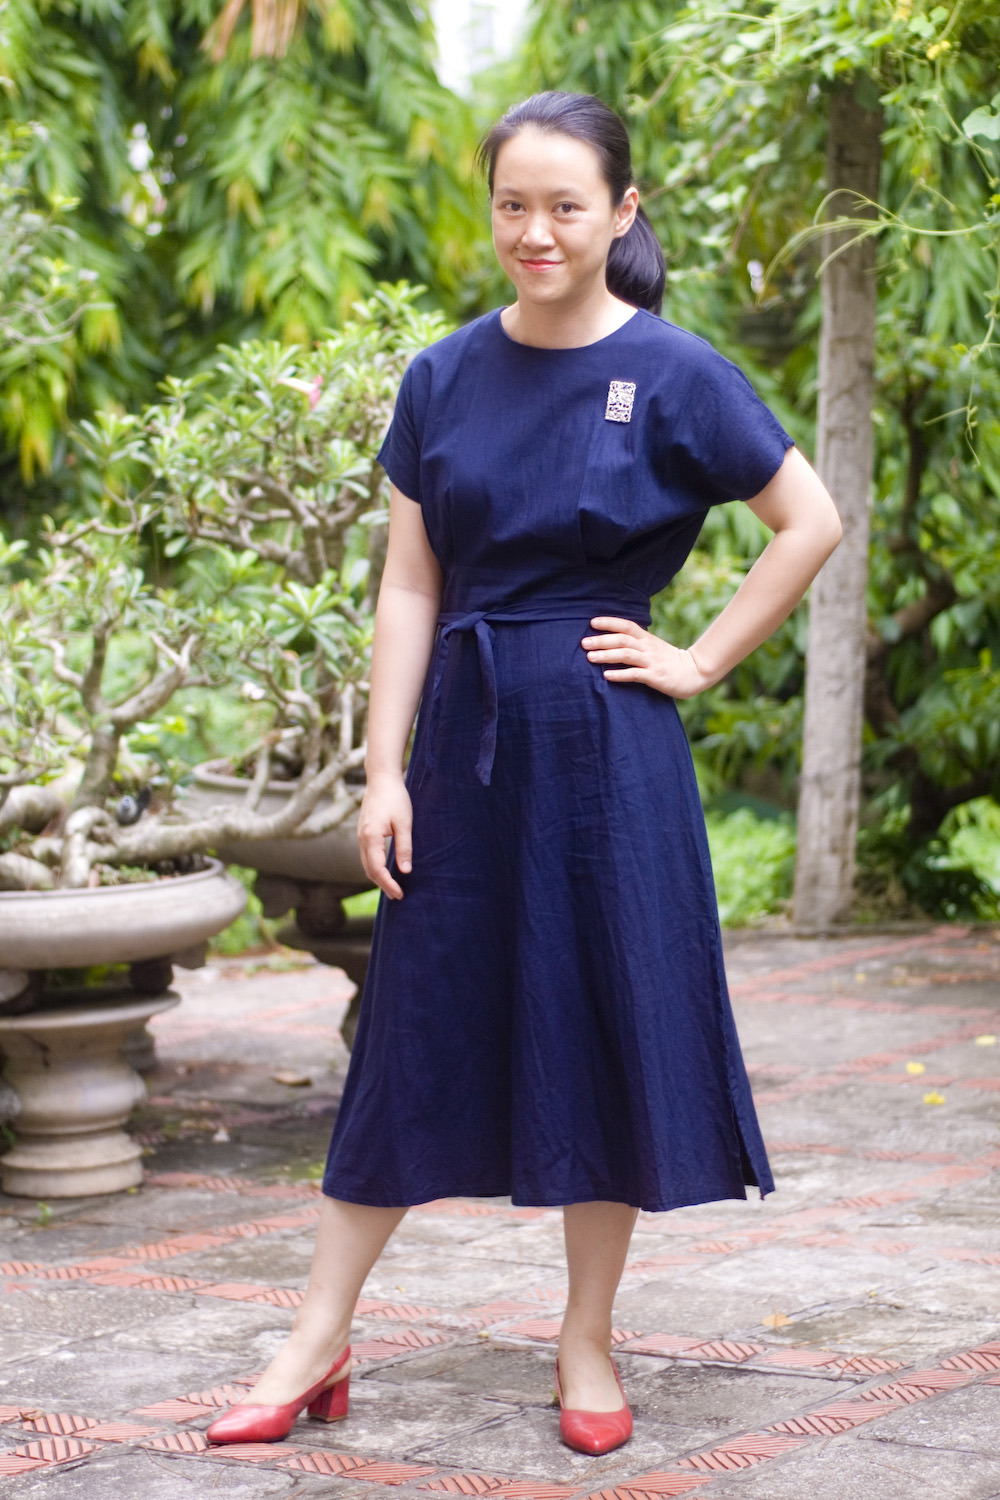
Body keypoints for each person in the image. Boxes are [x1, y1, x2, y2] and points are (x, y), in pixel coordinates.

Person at [207, 90, 842, 1457]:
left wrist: (701, 659)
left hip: (610, 754)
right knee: (411, 1029)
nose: (535, 231)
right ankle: (316, 1336)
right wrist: (383, 772)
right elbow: (410, 585)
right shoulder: (441, 376)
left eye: (565, 206)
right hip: (466, 744)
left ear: (622, 211)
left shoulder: (673, 370)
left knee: (602, 1024)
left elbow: (810, 519)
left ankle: (586, 1340)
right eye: (513, 205)